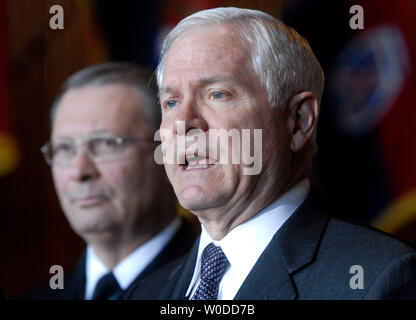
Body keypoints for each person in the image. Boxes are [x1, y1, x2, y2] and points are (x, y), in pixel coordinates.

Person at [125, 7, 416, 300]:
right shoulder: (145, 293)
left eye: (217, 94)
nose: (184, 124)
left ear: (299, 121)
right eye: (171, 102)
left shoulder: (379, 279)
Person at [27, 63, 196, 299]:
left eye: (107, 143)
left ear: (167, 153)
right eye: (64, 148)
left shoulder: (217, 288)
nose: (79, 171)